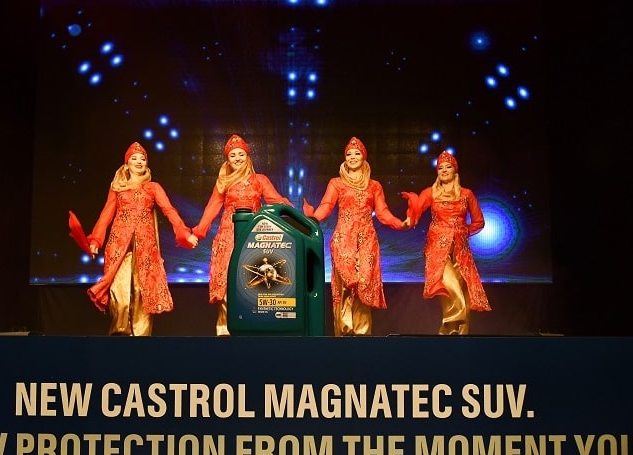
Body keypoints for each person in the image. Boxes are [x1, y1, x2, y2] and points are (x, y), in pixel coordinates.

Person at [68, 142, 197, 336]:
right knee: (119, 293)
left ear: (147, 164)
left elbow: (169, 210)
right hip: (119, 245)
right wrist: (95, 240)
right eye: (134, 158)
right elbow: (106, 214)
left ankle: (141, 340)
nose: (139, 161)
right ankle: (119, 335)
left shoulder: (153, 188)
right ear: (126, 163)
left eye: (142, 158)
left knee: (141, 292)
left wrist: (184, 233)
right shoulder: (118, 188)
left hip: (145, 247)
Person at [303, 137, 410, 336]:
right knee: (345, 286)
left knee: (364, 286)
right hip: (344, 239)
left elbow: (383, 212)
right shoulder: (336, 183)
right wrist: (314, 217)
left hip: (367, 240)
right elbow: (327, 205)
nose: (352, 157)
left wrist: (400, 223)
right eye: (349, 154)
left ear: (364, 157)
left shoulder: (374, 186)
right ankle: (344, 331)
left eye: (357, 153)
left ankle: (363, 334)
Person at [190, 134, 293, 336]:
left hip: (253, 234)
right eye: (232, 155)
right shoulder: (224, 182)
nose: (237, 158)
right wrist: (197, 233)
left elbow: (276, 200)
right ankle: (225, 328)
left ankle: (253, 327)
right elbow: (211, 209)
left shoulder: (260, 180)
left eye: (241, 154)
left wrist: (295, 213)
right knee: (228, 278)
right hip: (228, 235)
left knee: (255, 278)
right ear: (227, 160)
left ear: (248, 156)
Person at [400, 150, 492, 335]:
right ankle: (448, 329)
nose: (444, 170)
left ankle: (457, 335)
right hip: (436, 248)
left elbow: (479, 222)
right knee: (451, 288)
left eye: (448, 166)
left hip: (460, 249)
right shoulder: (431, 193)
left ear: (455, 171)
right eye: (440, 167)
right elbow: (417, 209)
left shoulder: (466, 194)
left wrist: (462, 231)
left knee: (462, 291)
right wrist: (410, 216)